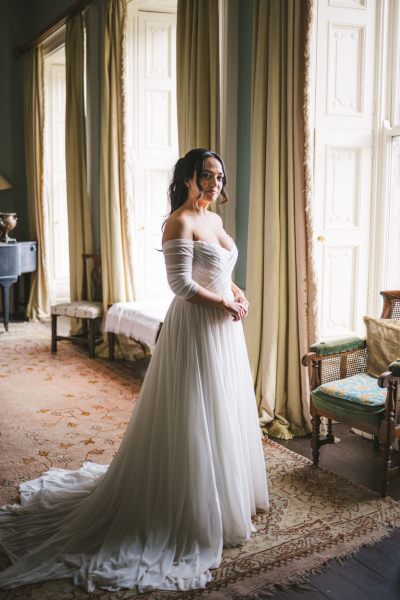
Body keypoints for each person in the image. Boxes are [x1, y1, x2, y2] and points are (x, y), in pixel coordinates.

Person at [0, 148, 269, 593]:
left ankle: (225, 497)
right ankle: (189, 506)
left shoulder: (216, 222)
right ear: (188, 178)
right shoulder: (178, 222)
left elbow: (223, 270)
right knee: (194, 409)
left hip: (225, 329)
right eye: (207, 175)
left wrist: (239, 295)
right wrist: (224, 303)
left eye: (219, 176)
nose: (215, 183)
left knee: (223, 406)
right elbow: (181, 285)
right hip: (197, 327)